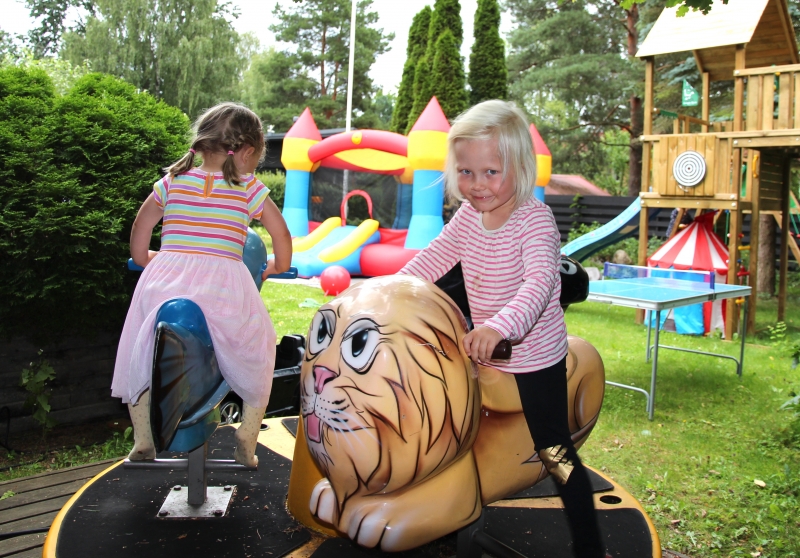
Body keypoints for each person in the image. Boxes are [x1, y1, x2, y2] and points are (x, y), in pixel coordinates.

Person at [398, 100, 606, 558]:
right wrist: (387, 292)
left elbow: (539, 285)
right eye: (466, 172)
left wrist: (499, 326)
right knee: (454, 424)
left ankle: (590, 545)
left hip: (534, 358)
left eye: (491, 172)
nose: (477, 184)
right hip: (485, 350)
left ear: (519, 166)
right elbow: (432, 259)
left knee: (555, 453)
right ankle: (451, 506)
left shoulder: (535, 221)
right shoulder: (468, 217)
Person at [111, 102, 292, 468]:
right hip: (222, 286)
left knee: (137, 348)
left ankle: (143, 437)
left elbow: (141, 226)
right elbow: (281, 234)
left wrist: (146, 258)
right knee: (259, 346)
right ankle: (247, 436)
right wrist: (278, 265)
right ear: (247, 152)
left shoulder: (172, 181)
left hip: (164, 280)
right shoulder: (248, 187)